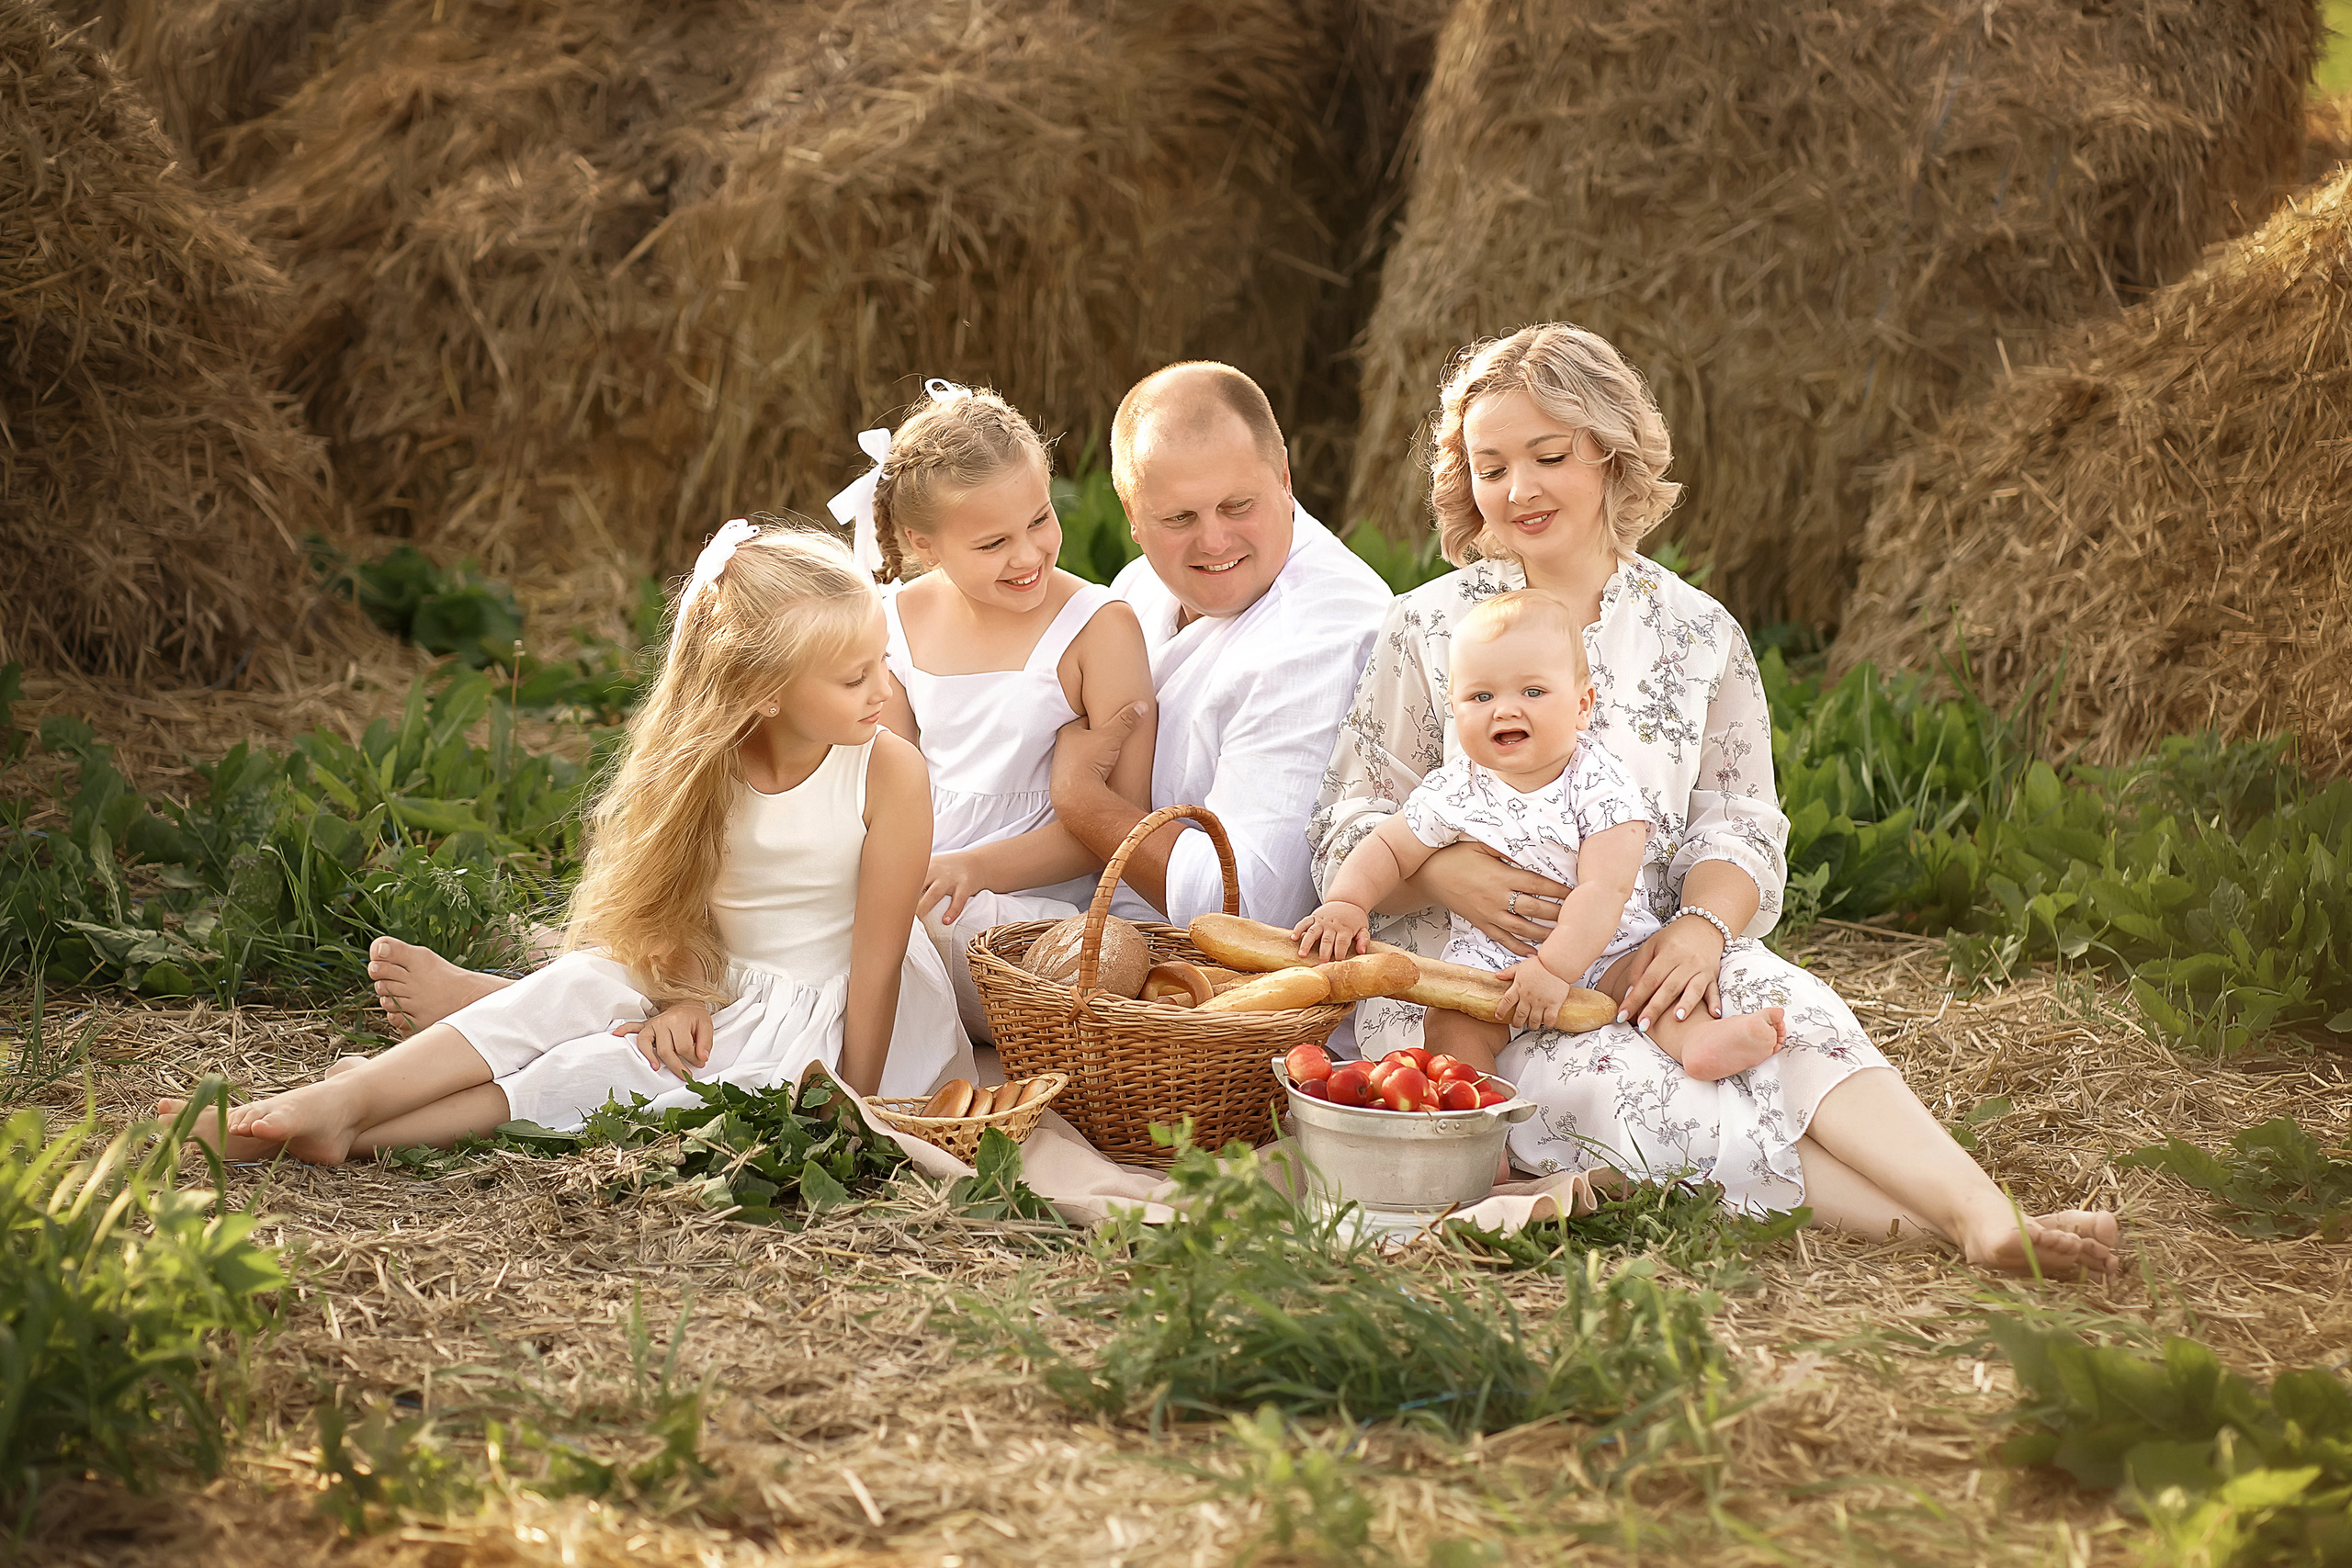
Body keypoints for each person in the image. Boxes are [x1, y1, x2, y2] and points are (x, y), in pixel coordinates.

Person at [1309, 322, 2121, 1278]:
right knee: (1660, 1094)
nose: (1519, 488)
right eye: (1491, 467)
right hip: (1483, 995)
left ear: (1610, 454)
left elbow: (1740, 824)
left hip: (1650, 950)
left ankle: (1982, 1211)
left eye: (1549, 456)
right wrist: (1451, 875)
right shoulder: (1426, 627)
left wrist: (1699, 930)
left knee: (1791, 1010)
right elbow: (1350, 821)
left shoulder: (1699, 634)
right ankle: (1960, 1232)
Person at [166, 525, 969, 1163]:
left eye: (881, 662)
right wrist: (684, 992)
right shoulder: (703, 764)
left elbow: (876, 965)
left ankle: (349, 1130)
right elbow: (673, 906)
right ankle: (348, 1096)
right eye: (855, 676)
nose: (884, 690)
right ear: (761, 693)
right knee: (585, 978)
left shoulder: (888, 773)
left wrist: (853, 1105)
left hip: (833, 1013)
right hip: (717, 975)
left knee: (615, 1074)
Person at [1296, 588, 1785, 1081]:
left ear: (1582, 705)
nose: (1504, 710)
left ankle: (1699, 1040)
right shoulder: (1454, 788)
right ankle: (1475, 1108)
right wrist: (1347, 902)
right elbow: (1388, 847)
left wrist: (1553, 969)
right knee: (1450, 1024)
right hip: (1492, 964)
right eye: (1481, 696)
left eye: (1532, 692)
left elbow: (1605, 888)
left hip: (1607, 949)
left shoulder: (1598, 781)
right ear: (1454, 708)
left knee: (1648, 986)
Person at [834, 378, 1158, 1034]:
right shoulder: (894, 622)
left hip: (1042, 911)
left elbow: (1122, 825)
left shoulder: (1099, 629)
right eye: (992, 544)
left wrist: (974, 868)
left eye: (1039, 519)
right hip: (923, 876)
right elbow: (885, 784)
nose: (1028, 555)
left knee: (937, 940)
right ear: (923, 544)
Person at [1048, 362, 1390, 929]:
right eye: (1179, 517)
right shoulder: (1138, 587)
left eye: (1238, 506)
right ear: (1132, 515)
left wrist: (1081, 801)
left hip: (1224, 976)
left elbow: (1245, 907)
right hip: (1096, 933)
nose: (1213, 541)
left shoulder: (1317, 633)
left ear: (1284, 478)